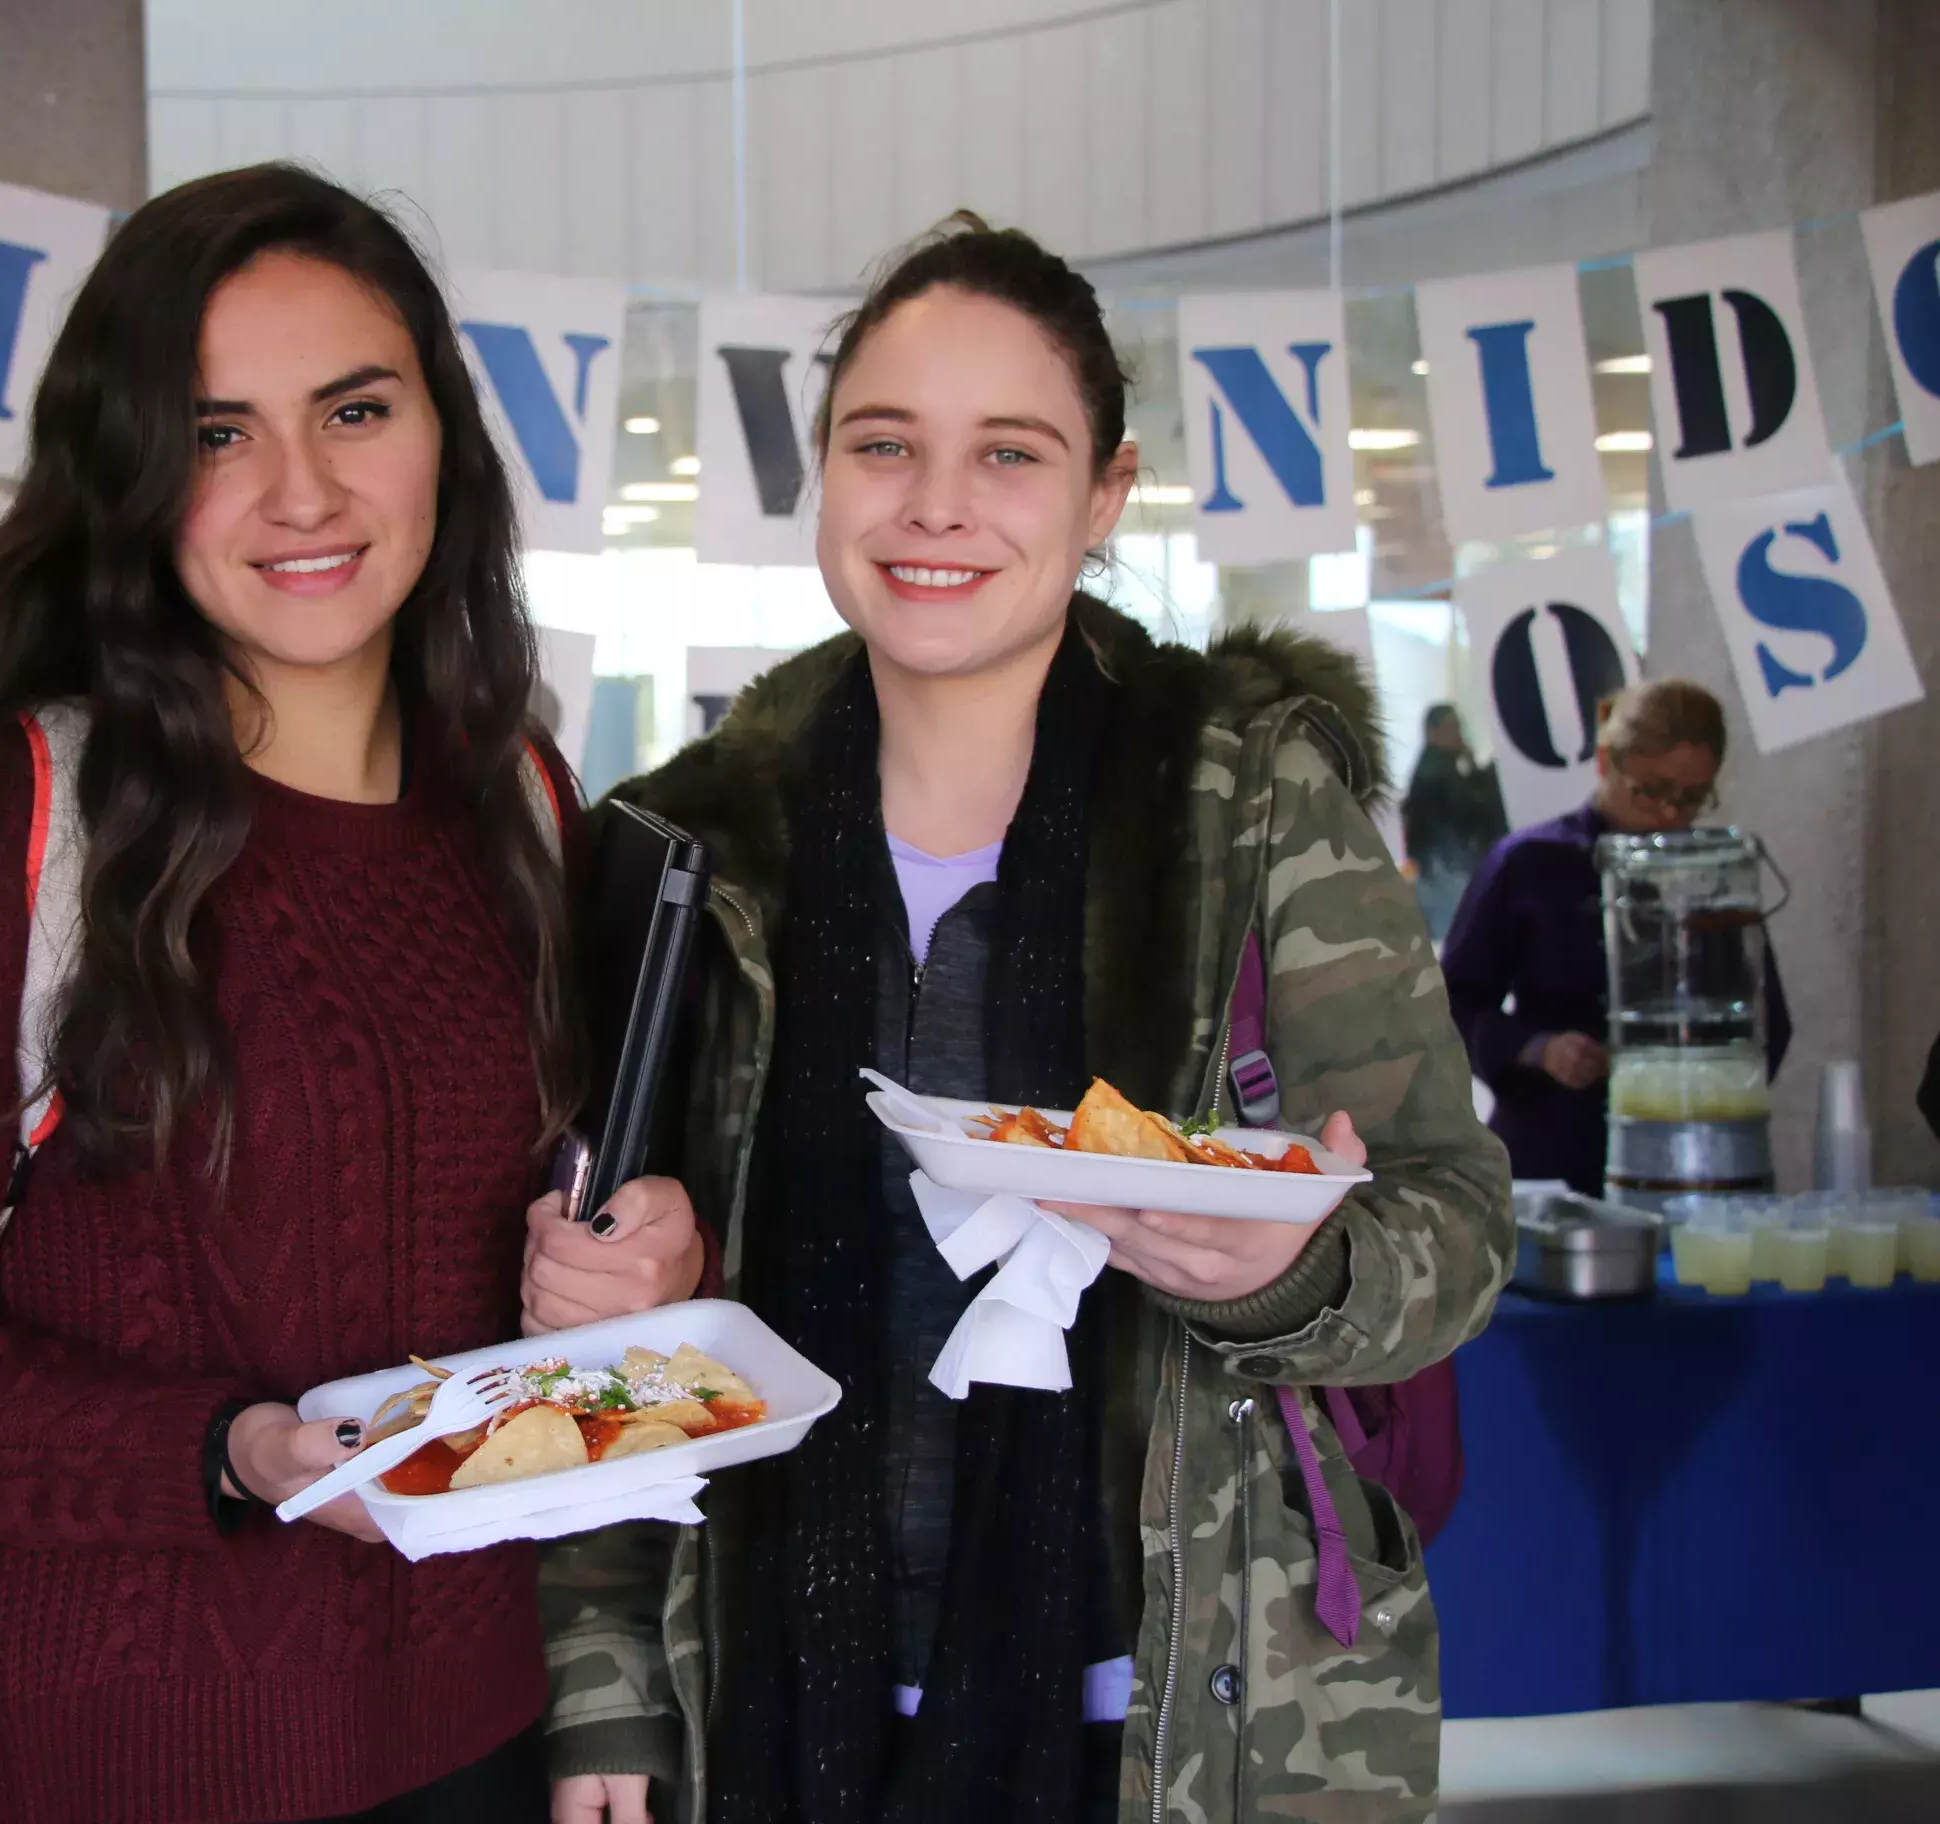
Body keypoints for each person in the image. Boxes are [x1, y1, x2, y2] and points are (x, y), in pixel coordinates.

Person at [0, 164, 702, 1824]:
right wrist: (227, 1448)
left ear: (441, 438)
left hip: (475, 1714)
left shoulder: (520, 798)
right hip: (125, 1744)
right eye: (216, 432)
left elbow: (528, 1223)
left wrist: (644, 1253)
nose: (302, 489)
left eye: (354, 408)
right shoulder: (13, 822)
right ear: (129, 471)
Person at [532, 217, 1513, 1824]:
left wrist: (1301, 1271)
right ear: (827, 477)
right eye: (885, 446)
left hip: (1180, 1716)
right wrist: (604, 1697)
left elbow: (1457, 1225)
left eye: (1010, 453)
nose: (936, 506)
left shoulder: (1253, 807)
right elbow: (601, 1332)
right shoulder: (687, 856)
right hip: (766, 1690)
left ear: (1105, 495)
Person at [1442, 681, 1791, 1196]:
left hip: (1691, 1156)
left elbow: (1767, 1024)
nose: (1671, 813)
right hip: (1552, 1161)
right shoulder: (1530, 863)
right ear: (1606, 763)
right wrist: (1537, 1049)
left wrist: (1700, 1083)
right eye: (1652, 790)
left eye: (1693, 797)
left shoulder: (1711, 875)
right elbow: (1447, 1007)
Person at [1400, 703, 1506, 944]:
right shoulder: (1436, 771)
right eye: (1452, 727)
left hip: (1440, 871)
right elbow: (1471, 811)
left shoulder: (1436, 768)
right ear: (1433, 732)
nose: (1459, 733)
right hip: (1447, 872)